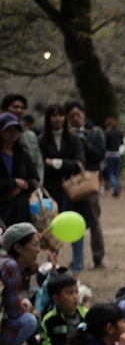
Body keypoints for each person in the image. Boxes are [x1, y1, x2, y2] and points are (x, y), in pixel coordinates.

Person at [38, 103, 87, 274]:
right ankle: (51, 266)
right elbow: (42, 165)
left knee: (76, 226)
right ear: (48, 118)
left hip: (73, 191)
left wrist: (55, 162)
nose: (58, 119)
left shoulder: (73, 139)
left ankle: (78, 266)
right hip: (51, 192)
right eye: (54, 115)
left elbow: (78, 163)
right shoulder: (41, 140)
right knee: (53, 229)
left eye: (61, 115)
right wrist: (64, 164)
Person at [65, 101, 106, 269]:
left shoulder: (95, 132)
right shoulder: (67, 135)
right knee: (75, 221)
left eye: (78, 114)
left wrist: (85, 144)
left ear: (83, 114)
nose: (75, 118)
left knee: (94, 220)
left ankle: (98, 257)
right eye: (72, 116)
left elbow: (99, 155)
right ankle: (77, 257)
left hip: (90, 182)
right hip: (73, 183)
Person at [0, 223, 42, 345]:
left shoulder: (4, 262)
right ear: (18, 247)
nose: (37, 250)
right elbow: (15, 312)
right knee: (29, 320)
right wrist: (28, 309)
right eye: (34, 244)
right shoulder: (11, 267)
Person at [39, 273, 86, 345]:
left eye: (76, 292)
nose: (75, 297)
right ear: (56, 298)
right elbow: (46, 341)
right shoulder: (50, 319)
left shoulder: (85, 315)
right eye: (70, 293)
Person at [0, 111, 39, 227]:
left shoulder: (23, 154)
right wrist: (13, 182)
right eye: (8, 128)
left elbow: (35, 180)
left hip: (21, 210)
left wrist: (22, 186)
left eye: (16, 128)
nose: (13, 132)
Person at [2, 94, 43, 177]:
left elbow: (38, 164)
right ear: (5, 110)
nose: (19, 110)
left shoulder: (31, 136)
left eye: (22, 108)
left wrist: (38, 186)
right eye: (15, 107)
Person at [104, 117, 124, 198]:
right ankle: (117, 188)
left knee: (111, 173)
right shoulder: (119, 132)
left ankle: (116, 189)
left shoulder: (107, 133)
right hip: (117, 154)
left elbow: (105, 144)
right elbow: (122, 142)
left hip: (109, 155)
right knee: (116, 173)